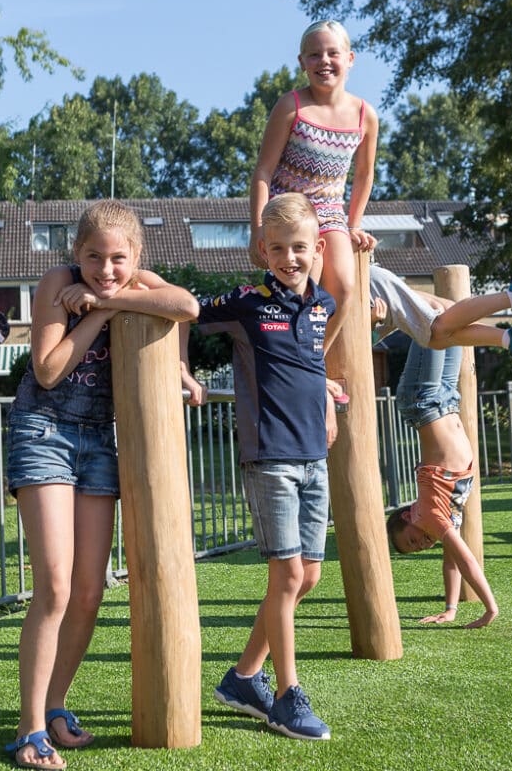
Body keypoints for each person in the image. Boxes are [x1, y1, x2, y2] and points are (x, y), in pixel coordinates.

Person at [4, 200, 198, 770]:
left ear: (136, 256)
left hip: (98, 441)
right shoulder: (56, 283)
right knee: (57, 588)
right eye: (94, 258)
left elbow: (184, 305)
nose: (106, 269)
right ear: (75, 253)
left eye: (118, 258)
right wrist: (97, 315)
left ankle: (57, 706)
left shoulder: (129, 282)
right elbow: (47, 368)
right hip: (44, 433)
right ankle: (29, 730)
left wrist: (112, 299)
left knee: (91, 590)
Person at [194, 193, 335, 740]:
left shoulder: (321, 304)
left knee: (310, 577)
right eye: (277, 248)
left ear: (316, 248)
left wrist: (328, 400)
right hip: (270, 456)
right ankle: (285, 694)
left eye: (299, 247)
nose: (289, 258)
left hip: (313, 458)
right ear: (262, 250)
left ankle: (242, 677)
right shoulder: (249, 302)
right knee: (288, 575)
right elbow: (187, 311)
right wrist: (185, 372)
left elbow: (312, 367)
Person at [249, 19, 378, 354]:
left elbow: (364, 174)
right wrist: (259, 230)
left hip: (330, 211)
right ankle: (290, 351)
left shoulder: (365, 115)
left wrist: (354, 223)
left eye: (332, 53)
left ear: (350, 58)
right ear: (302, 62)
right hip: (288, 209)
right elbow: (263, 171)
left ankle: (315, 358)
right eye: (314, 54)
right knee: (308, 278)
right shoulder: (291, 106)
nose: (324, 61)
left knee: (345, 285)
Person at [385, 343, 499, 628]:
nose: (423, 544)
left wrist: (490, 609)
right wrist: (450, 609)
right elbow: (451, 561)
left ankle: (394, 312)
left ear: (408, 516)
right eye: (420, 549)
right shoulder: (447, 516)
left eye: (412, 540)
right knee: (451, 319)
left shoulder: (429, 515)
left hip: (421, 401)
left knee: (432, 323)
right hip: (446, 400)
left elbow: (466, 560)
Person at [369, 262, 512, 384]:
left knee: (436, 331)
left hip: (365, 289)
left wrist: (371, 322)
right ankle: (510, 339)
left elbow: (354, 338)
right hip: (369, 294)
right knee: (446, 314)